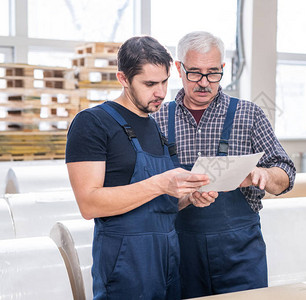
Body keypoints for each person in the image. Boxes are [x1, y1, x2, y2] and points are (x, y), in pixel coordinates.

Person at [65, 36, 217, 300]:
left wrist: (187, 197)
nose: (160, 92)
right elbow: (89, 204)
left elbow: (159, 203)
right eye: (149, 84)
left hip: (168, 258)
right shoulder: (92, 123)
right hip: (126, 265)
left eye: (164, 82)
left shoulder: (155, 127)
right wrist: (161, 183)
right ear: (123, 79)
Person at [152, 31, 296, 298]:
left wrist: (264, 174)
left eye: (213, 73)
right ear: (178, 68)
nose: (204, 83)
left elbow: (286, 173)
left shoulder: (248, 114)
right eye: (195, 73)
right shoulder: (158, 119)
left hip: (240, 253)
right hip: (180, 252)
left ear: (223, 69)